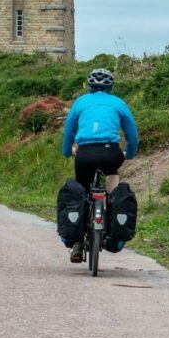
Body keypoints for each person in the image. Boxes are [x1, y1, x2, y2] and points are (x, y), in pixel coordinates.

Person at [61, 68, 139, 262]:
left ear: (90, 86)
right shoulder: (119, 103)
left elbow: (69, 133)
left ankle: (78, 243)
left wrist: (66, 151)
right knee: (112, 177)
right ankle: (112, 211)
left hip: (85, 154)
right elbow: (132, 135)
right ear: (111, 87)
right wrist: (129, 153)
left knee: (82, 189)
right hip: (110, 153)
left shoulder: (80, 102)